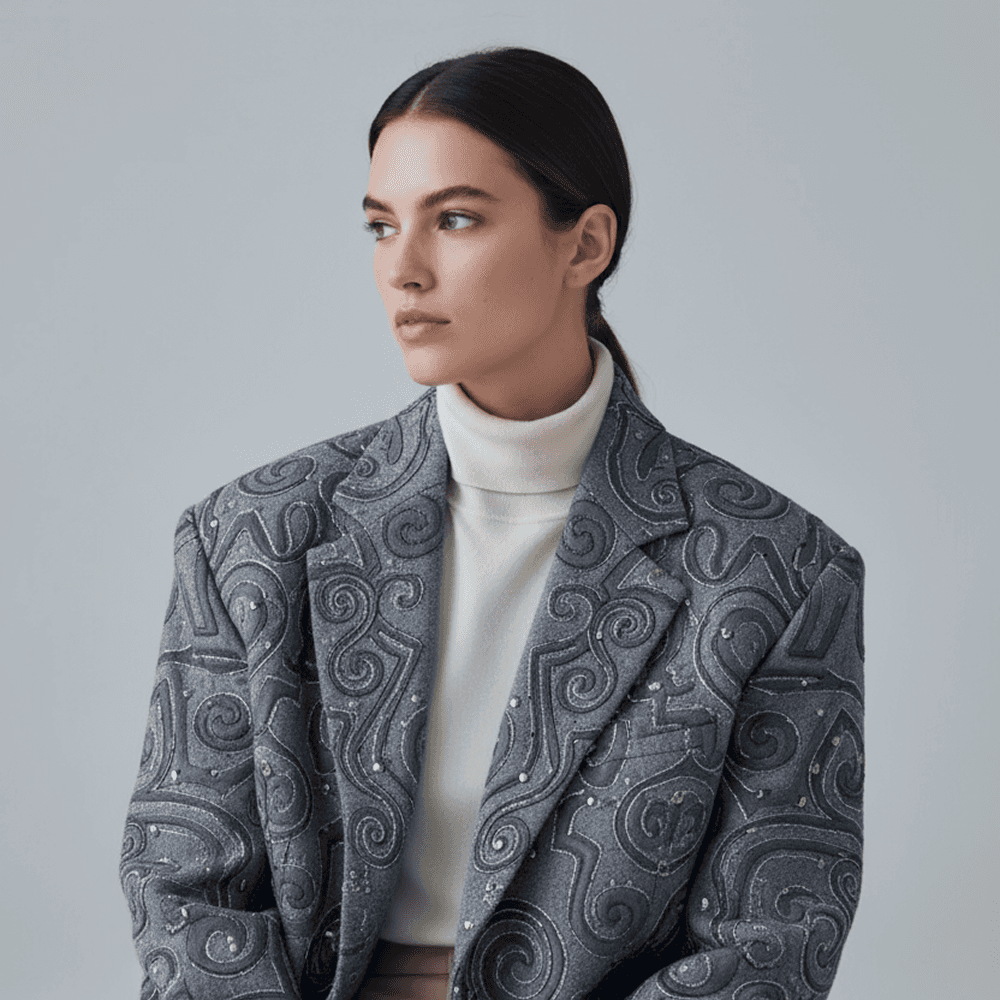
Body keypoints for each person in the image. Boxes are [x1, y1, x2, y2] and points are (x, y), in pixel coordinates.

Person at [120, 47, 864, 1000]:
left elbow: (769, 944)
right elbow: (186, 893)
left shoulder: (776, 572)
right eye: (381, 226)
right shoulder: (250, 539)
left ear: (585, 245)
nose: (405, 269)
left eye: (456, 219)